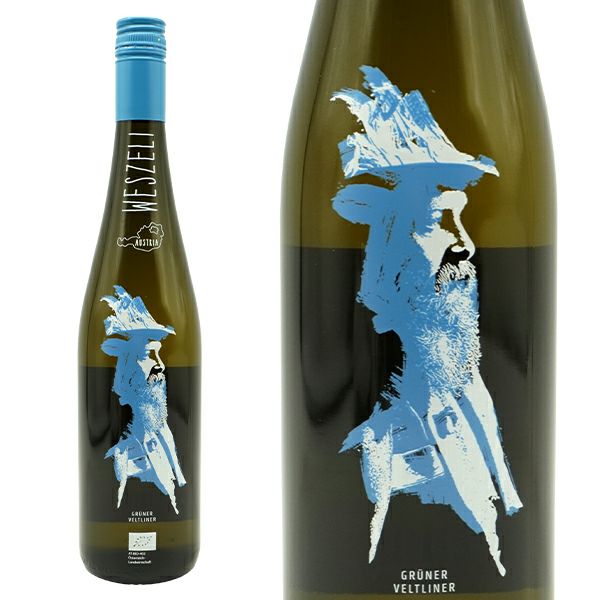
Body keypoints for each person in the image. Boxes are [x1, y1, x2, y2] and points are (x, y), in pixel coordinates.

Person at [333, 67, 522, 575]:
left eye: (463, 218)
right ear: (391, 258)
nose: (465, 245)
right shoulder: (379, 445)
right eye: (439, 220)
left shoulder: (476, 401)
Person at [101, 285, 186, 514]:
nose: (160, 366)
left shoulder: (167, 438)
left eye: (159, 353)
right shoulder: (123, 457)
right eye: (148, 354)